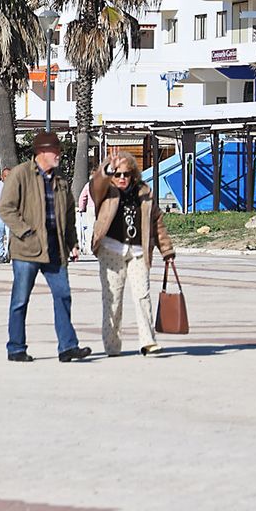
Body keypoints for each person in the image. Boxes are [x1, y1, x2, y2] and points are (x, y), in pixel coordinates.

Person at [0, 131, 90, 363]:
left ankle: (68, 346)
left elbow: (69, 214)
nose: (59, 154)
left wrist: (73, 243)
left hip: (55, 247)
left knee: (63, 295)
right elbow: (6, 208)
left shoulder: (60, 179)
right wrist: (25, 232)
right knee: (20, 300)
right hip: (27, 249)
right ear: (41, 153)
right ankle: (16, 348)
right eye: (55, 150)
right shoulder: (20, 174)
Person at [90, 152, 174, 357]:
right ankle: (112, 345)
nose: (121, 178)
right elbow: (95, 186)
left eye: (126, 174)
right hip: (111, 250)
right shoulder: (106, 191)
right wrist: (107, 168)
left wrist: (167, 250)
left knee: (142, 296)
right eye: (117, 174)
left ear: (134, 174)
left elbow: (157, 222)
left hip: (138, 252)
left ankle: (148, 341)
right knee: (112, 300)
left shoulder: (144, 192)